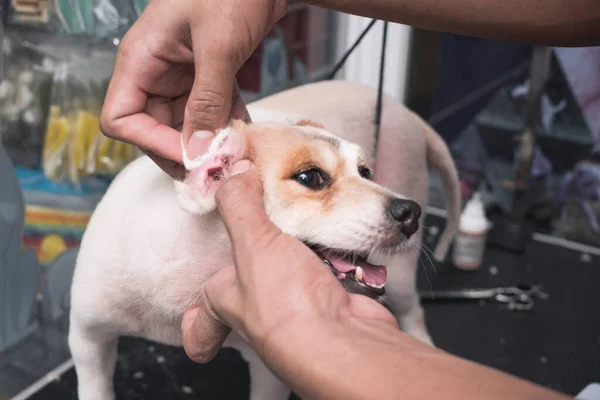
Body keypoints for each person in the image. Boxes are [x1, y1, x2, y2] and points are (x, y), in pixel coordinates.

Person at [98, 0, 598, 398]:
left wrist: (325, 335)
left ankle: (415, 320)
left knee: (399, 288)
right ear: (211, 176)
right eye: (315, 178)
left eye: (363, 172)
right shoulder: (120, 251)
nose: (396, 203)